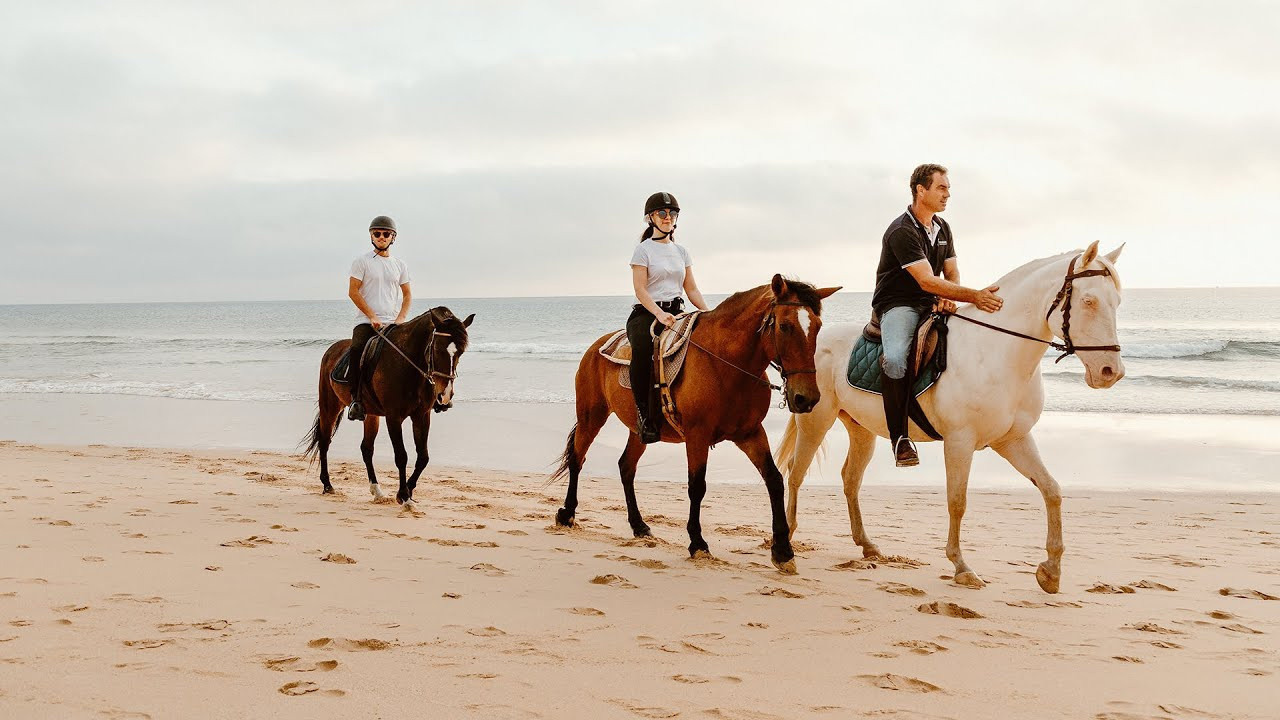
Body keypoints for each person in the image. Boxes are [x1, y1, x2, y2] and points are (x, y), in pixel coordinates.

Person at [871, 164, 1003, 467]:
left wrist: (948, 296)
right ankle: (899, 439)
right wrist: (974, 296)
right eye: (941, 188)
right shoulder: (901, 231)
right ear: (921, 190)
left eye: (948, 189)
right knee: (895, 358)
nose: (947, 195)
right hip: (899, 304)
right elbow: (926, 280)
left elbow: (951, 272)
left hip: (930, 302)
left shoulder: (942, 228)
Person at [627, 192, 710, 443]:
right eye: (662, 213)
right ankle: (644, 415)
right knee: (643, 349)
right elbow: (640, 290)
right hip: (646, 313)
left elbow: (691, 289)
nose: (668, 218)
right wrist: (659, 313)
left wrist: (708, 313)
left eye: (672, 213)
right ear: (650, 218)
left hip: (677, 312)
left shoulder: (682, 252)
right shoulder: (643, 250)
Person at [346, 215, 412, 421]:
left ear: (393, 237)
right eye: (377, 233)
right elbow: (353, 292)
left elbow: (407, 295)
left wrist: (401, 318)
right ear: (371, 236)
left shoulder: (400, 265)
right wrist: (372, 316)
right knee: (357, 350)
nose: (381, 237)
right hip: (366, 322)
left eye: (386, 234)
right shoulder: (362, 262)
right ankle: (356, 401)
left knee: (416, 352)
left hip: (393, 323)